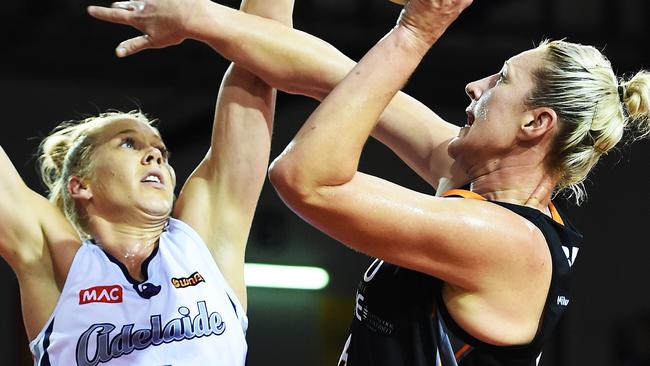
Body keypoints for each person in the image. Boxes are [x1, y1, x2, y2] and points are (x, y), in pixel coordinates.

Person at [88, 0, 650, 365]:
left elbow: (305, 180)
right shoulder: (470, 180)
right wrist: (197, 20)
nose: (475, 86)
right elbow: (327, 72)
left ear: (535, 124)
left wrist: (416, 31)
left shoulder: (507, 242)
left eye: (500, 79)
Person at [0, 0, 295, 364]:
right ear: (81, 185)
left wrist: (201, 17)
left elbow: (257, 65)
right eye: (128, 143)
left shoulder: (202, 242)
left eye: (161, 151)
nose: (155, 155)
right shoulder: (56, 261)